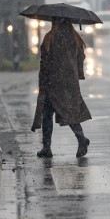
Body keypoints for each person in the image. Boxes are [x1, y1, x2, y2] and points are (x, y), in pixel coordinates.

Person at [31, 17, 91, 158]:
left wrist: (44, 80)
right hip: (69, 83)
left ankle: (47, 147)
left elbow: (45, 60)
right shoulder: (75, 39)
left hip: (53, 82)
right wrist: (75, 74)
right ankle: (81, 138)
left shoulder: (50, 38)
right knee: (70, 113)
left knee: (47, 115)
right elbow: (80, 58)